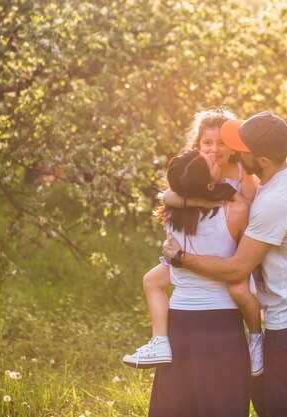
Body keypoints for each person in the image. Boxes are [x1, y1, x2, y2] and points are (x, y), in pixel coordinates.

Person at [162, 111, 287, 417]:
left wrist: (180, 258)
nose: (235, 151)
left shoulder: (276, 201)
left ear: (263, 160)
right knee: (262, 396)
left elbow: (237, 269)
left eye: (242, 148)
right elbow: (173, 195)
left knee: (283, 408)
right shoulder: (275, 176)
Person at [122, 109, 264, 375]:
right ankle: (159, 340)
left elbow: (249, 209)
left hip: (234, 247)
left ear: (233, 146)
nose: (214, 149)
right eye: (207, 143)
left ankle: (256, 337)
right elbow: (168, 197)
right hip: (197, 250)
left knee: (238, 291)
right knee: (151, 281)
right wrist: (201, 200)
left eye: (221, 143)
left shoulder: (241, 172)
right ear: (197, 145)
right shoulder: (195, 169)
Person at [148, 149, 251, 417]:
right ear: (207, 184)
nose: (214, 157)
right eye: (210, 162)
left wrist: (199, 198)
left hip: (179, 322)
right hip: (222, 325)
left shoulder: (170, 213)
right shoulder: (237, 211)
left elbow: (171, 194)